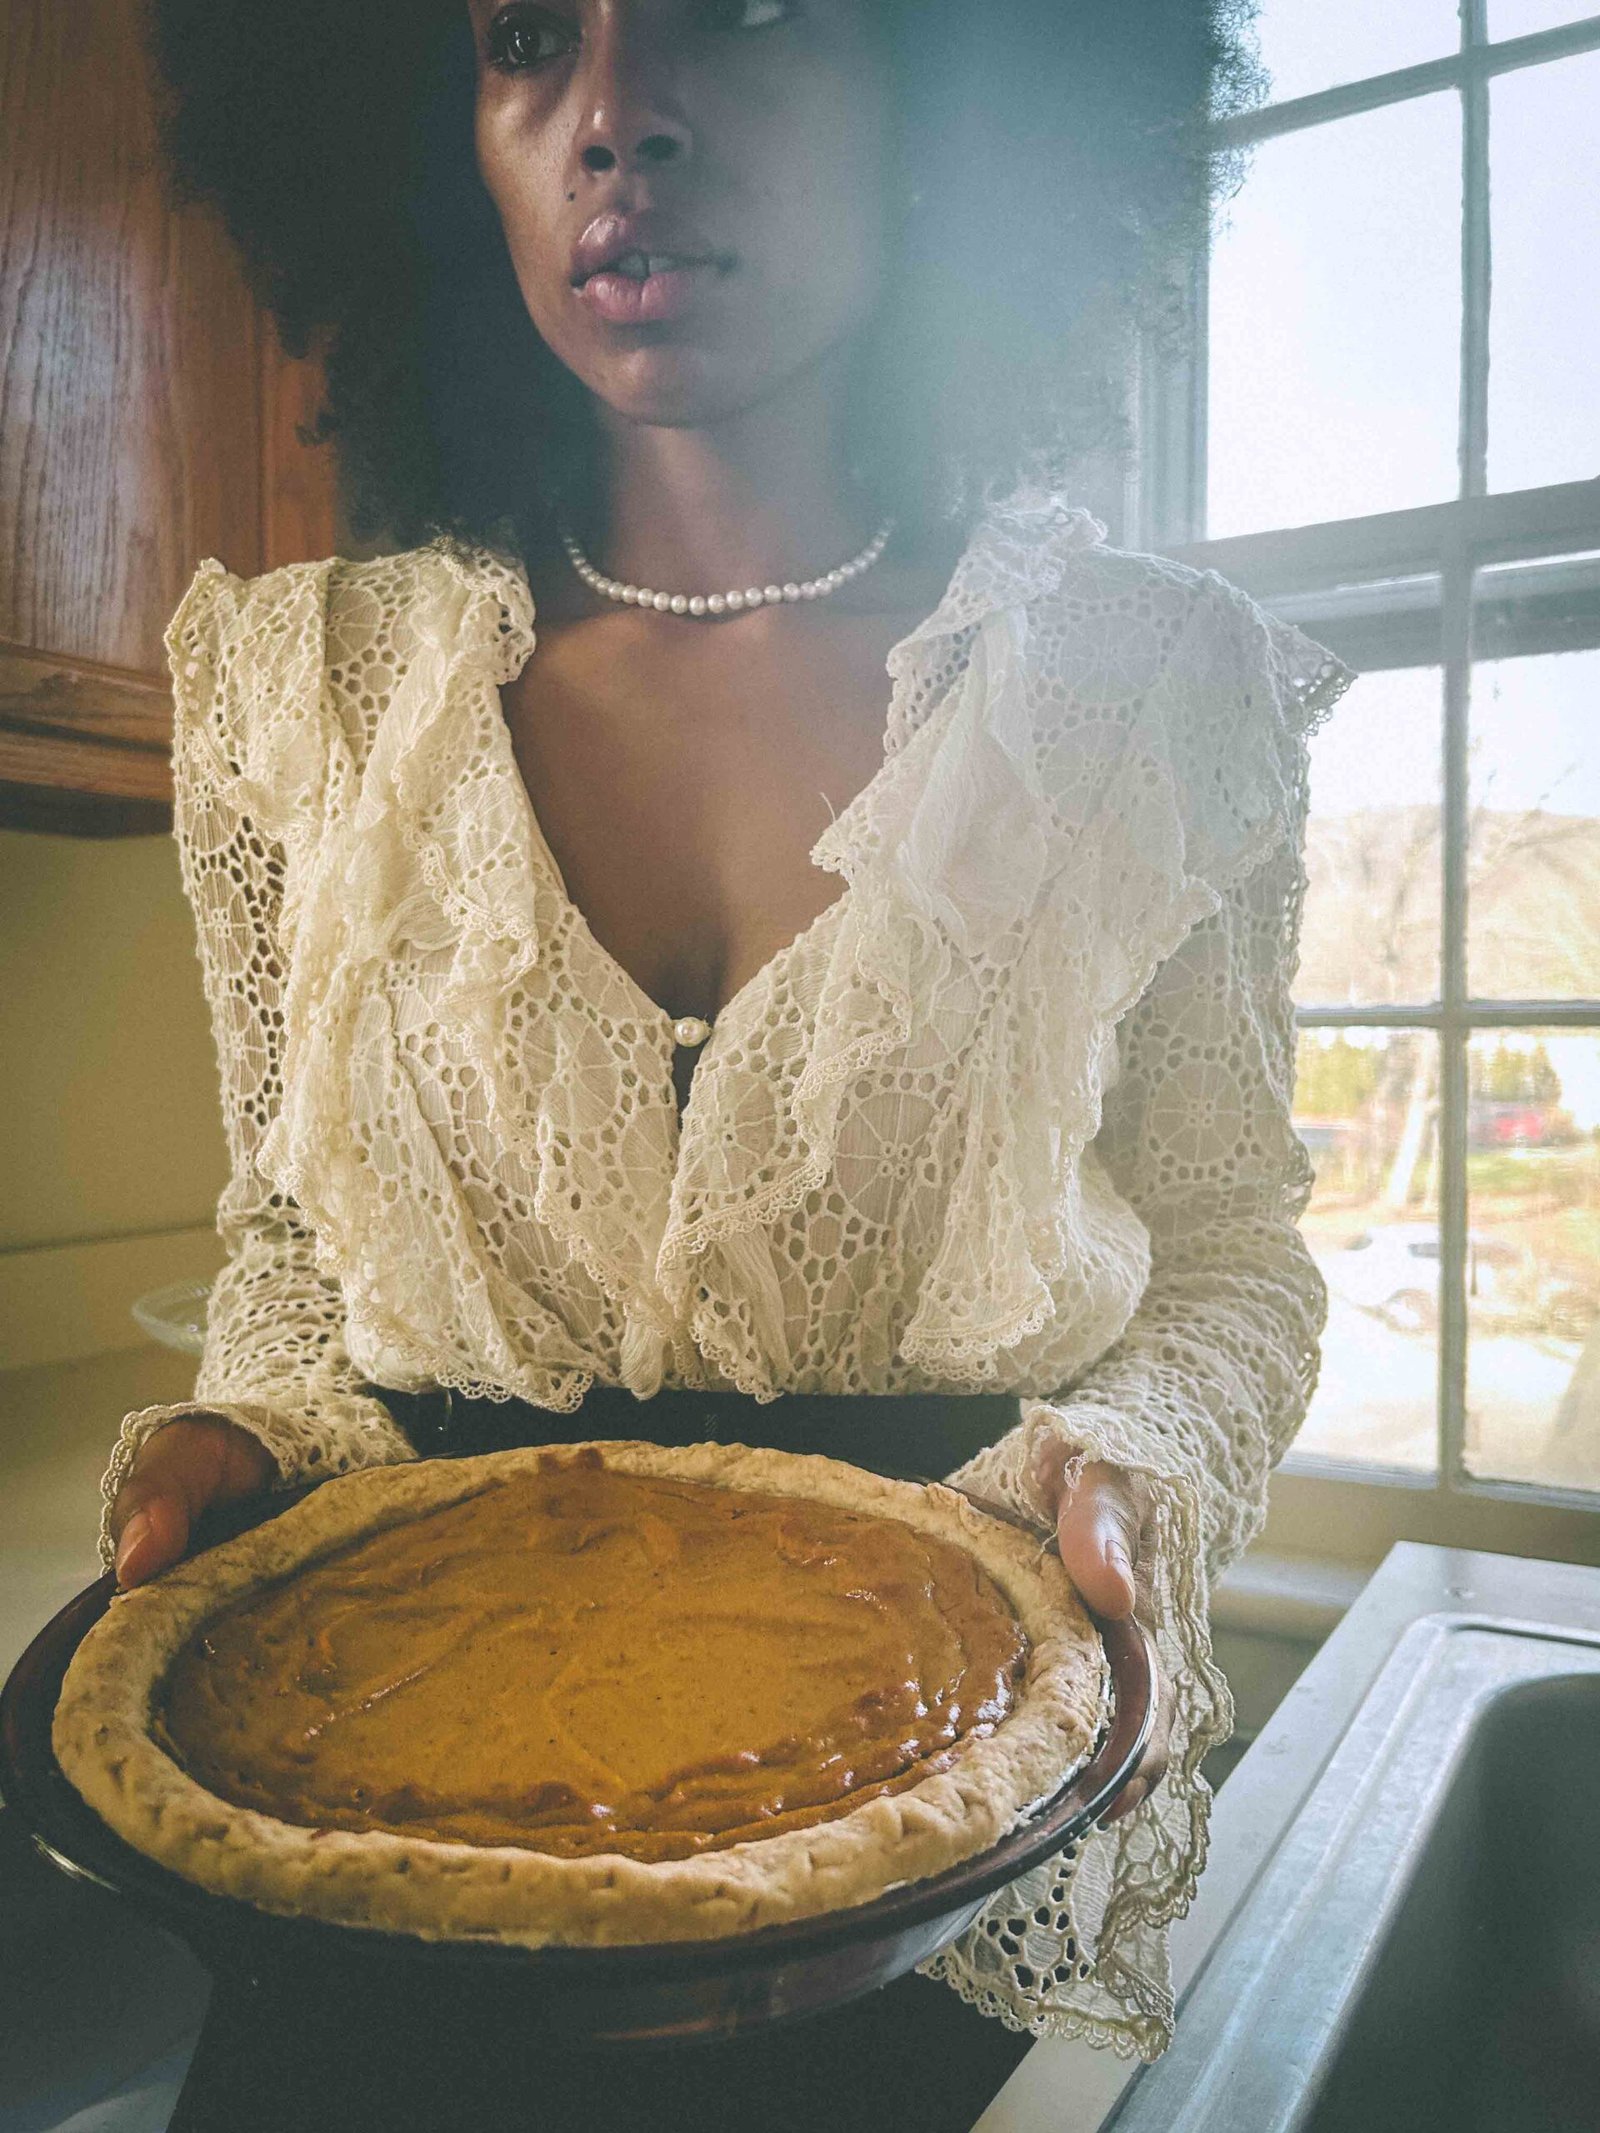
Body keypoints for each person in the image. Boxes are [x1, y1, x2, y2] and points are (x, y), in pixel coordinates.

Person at [99, 0, 1348, 2117]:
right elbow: (297, 1237)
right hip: (384, 1839)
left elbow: (1235, 1246)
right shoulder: (292, 691)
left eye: (740, 17)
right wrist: (258, 1426)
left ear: (946, 93)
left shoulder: (1146, 692)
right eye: (521, 42)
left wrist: (1129, 1463)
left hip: (903, 1843)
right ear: (436, 136)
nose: (615, 121)